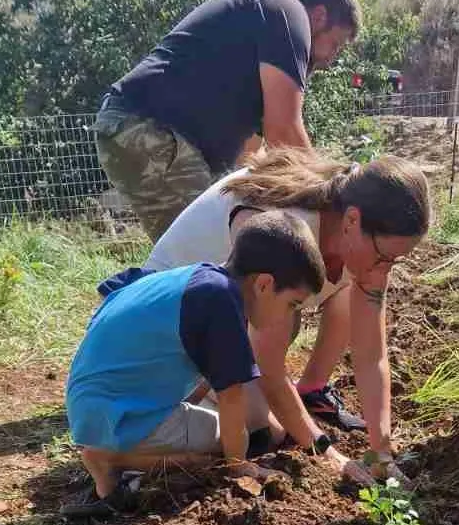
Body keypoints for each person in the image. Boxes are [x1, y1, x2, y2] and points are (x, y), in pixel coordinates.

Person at [145, 148, 431, 485]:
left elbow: (371, 356)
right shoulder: (282, 231)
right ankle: (142, 445)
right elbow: (269, 368)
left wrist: (380, 450)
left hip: (230, 319)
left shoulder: (356, 237)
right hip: (163, 330)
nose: (385, 270)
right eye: (384, 256)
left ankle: (305, 390)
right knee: (265, 433)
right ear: (352, 220)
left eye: (395, 261)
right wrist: (327, 453)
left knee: (341, 295)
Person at [61, 211, 364, 519]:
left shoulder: (202, 280)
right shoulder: (221, 302)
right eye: (291, 305)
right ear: (263, 284)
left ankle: (124, 454)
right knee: (229, 439)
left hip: (99, 406)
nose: (287, 316)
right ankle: (113, 459)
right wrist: (237, 466)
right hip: (117, 415)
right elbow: (232, 398)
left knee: (230, 429)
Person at [94, 0, 361, 241]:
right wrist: (327, 197)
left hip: (141, 128)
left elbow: (252, 154)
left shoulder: (267, 33)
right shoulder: (287, 13)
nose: (330, 60)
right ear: (319, 16)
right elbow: (284, 130)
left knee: (216, 248)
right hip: (152, 129)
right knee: (208, 253)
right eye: (336, 45)